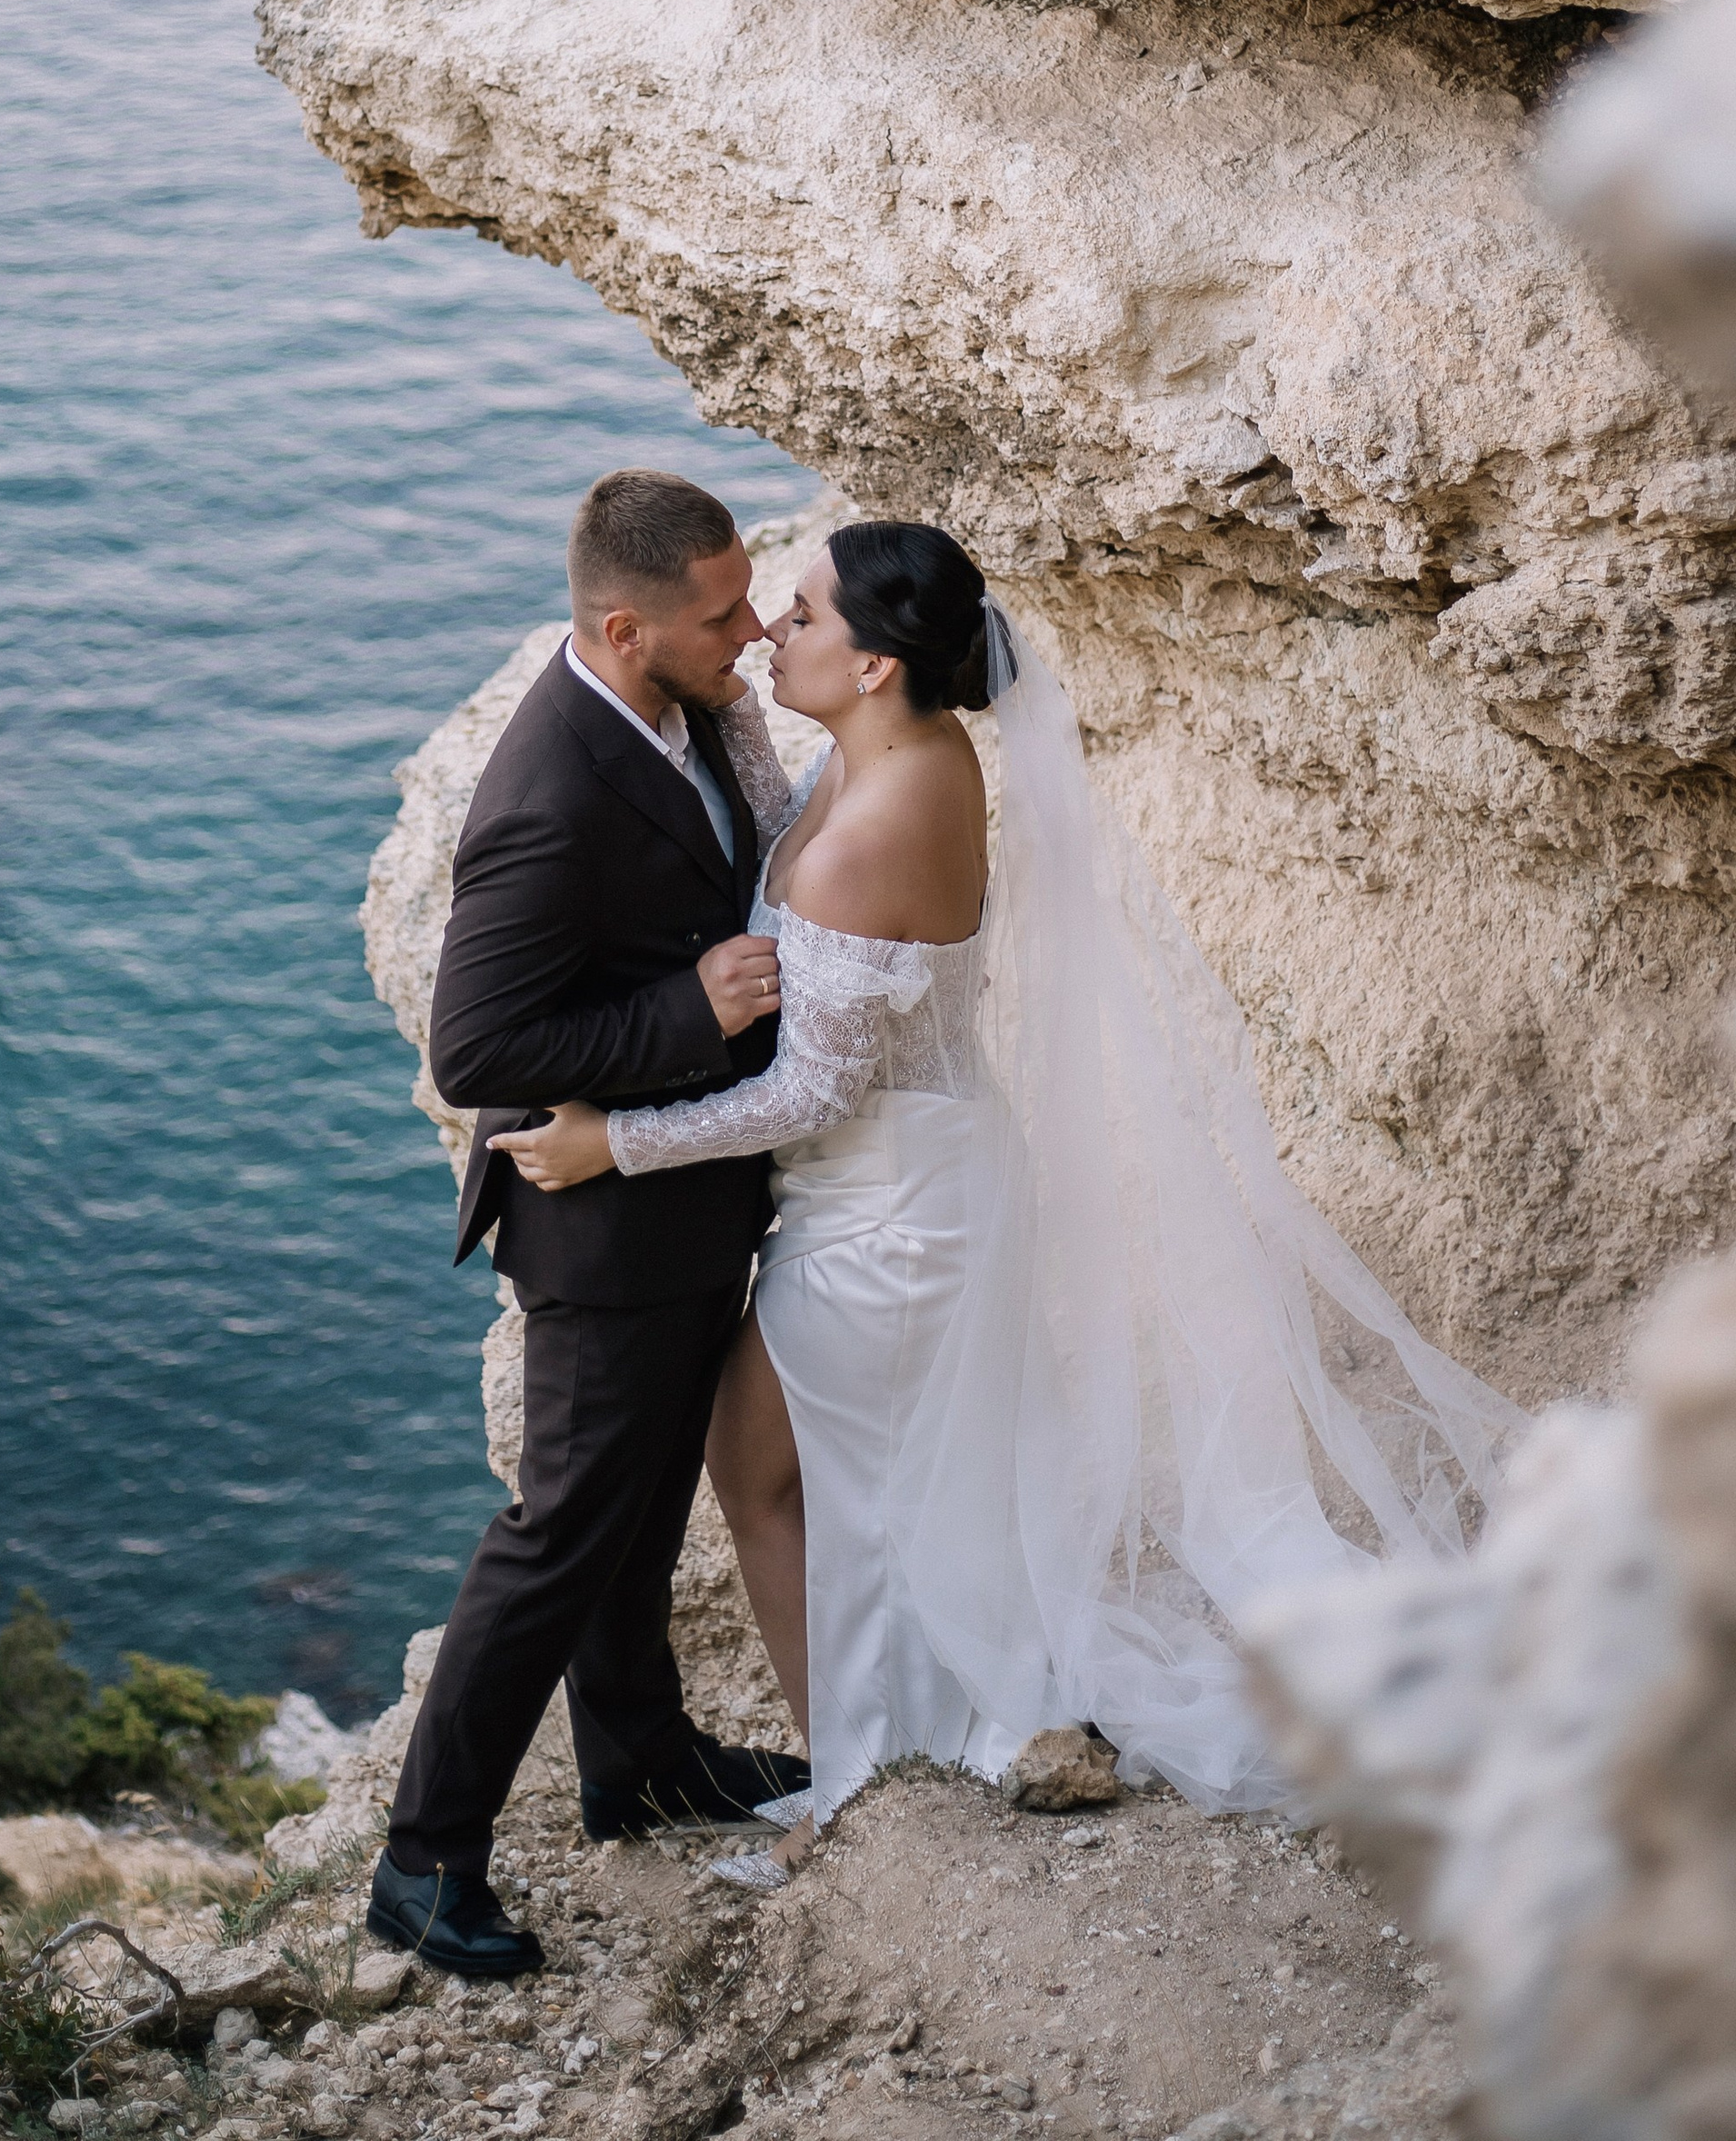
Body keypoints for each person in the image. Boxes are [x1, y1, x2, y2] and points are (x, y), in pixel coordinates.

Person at [491, 520, 1519, 1853]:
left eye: (797, 616)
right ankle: (894, 1748)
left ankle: (868, 1785)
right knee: (845, 1485)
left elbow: (811, 1095)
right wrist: (725, 691)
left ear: (873, 665)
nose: (766, 633)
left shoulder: (884, 826)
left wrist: (606, 1148)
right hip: (898, 1185)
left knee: (769, 1476)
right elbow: (775, 807)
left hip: (891, 1214)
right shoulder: (882, 756)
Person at [364, 471, 810, 1984]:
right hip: (601, 1235)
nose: (749, 633)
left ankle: (643, 1764)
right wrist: (683, 1017)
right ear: (623, 628)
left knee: (627, 1516)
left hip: (682, 1206)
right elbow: (475, 1051)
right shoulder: (547, 793)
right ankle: (424, 1865)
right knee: (557, 1534)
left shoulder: (678, 713)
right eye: (721, 615)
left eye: (749, 602)